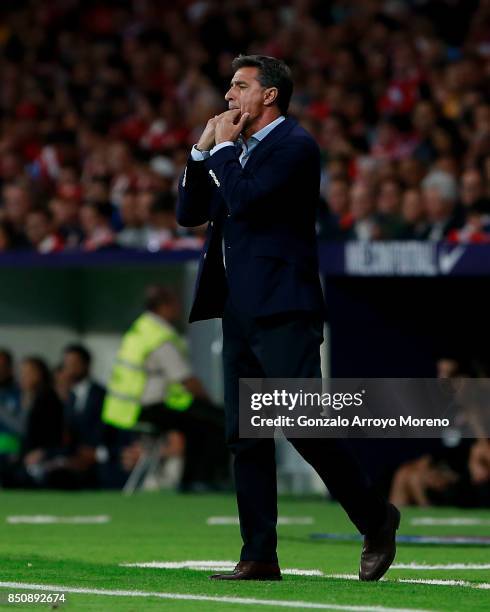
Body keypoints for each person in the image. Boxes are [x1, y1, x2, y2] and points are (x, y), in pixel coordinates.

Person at [177, 54, 400, 582]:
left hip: (284, 308)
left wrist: (223, 150)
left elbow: (246, 201)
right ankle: (259, 555)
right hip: (238, 310)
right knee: (244, 437)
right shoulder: (233, 152)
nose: (228, 96)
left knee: (302, 426)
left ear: (269, 95)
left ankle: (375, 518)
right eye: (229, 88)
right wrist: (199, 152)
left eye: (239, 87)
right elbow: (190, 213)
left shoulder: (294, 147)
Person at [102, 285, 229, 491]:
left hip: (128, 409)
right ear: (164, 306)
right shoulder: (160, 336)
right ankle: (203, 481)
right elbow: (186, 379)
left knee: (201, 419)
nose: (179, 309)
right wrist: (208, 401)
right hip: (151, 408)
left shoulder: (141, 328)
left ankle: (196, 480)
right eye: (176, 304)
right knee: (217, 421)